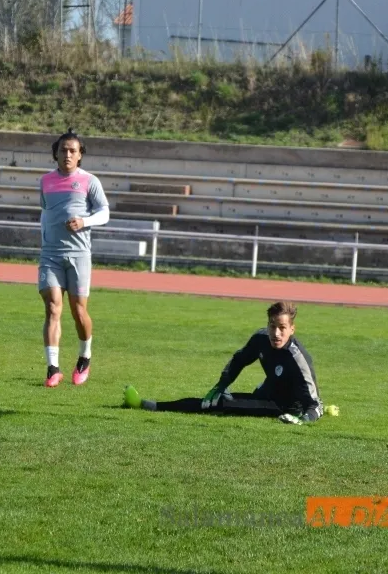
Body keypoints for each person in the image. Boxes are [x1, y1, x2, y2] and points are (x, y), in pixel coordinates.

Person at [122, 301, 324, 425]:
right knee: (218, 397)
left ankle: (149, 405)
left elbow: (315, 404)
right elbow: (239, 360)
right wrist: (221, 384)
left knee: (220, 404)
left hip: (284, 407)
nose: (276, 333)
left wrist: (304, 419)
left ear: (292, 329)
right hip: (266, 393)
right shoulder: (261, 339)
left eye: (282, 327)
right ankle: (153, 405)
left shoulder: (298, 358)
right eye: (272, 326)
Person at [38, 128, 110, 388]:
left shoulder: (90, 181)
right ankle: (53, 368)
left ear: (80, 156)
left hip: (79, 254)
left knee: (78, 311)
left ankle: (84, 357)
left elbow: (104, 213)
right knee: (52, 307)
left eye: (72, 151)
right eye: (63, 150)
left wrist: (84, 221)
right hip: (51, 254)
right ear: (55, 154)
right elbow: (45, 213)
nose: (67, 155)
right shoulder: (45, 182)